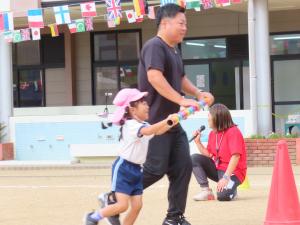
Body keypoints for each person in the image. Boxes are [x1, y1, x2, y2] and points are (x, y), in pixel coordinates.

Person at [102, 4, 214, 225]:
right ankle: (113, 199)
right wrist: (182, 99)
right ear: (165, 23)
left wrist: (198, 93)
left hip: (173, 122)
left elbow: (180, 78)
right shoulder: (154, 46)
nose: (184, 28)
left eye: (186, 24)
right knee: (155, 169)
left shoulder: (174, 50)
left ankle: (174, 218)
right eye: (181, 23)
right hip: (155, 123)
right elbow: (155, 78)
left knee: (183, 166)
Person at [84, 88, 179, 225]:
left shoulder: (143, 125)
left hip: (136, 169)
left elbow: (157, 131)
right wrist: (167, 120)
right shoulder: (131, 125)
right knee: (123, 206)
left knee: (137, 206)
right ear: (132, 110)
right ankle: (93, 217)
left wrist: (173, 122)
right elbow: (150, 130)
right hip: (124, 168)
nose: (147, 106)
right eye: (143, 103)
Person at [191, 103, 247, 201]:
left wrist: (226, 177)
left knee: (223, 196)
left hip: (234, 172)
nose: (208, 117)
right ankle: (206, 191)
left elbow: (236, 156)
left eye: (210, 115)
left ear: (218, 118)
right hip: (219, 169)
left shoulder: (233, 132)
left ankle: (231, 189)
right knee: (193, 158)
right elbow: (209, 155)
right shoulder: (213, 134)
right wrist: (198, 142)